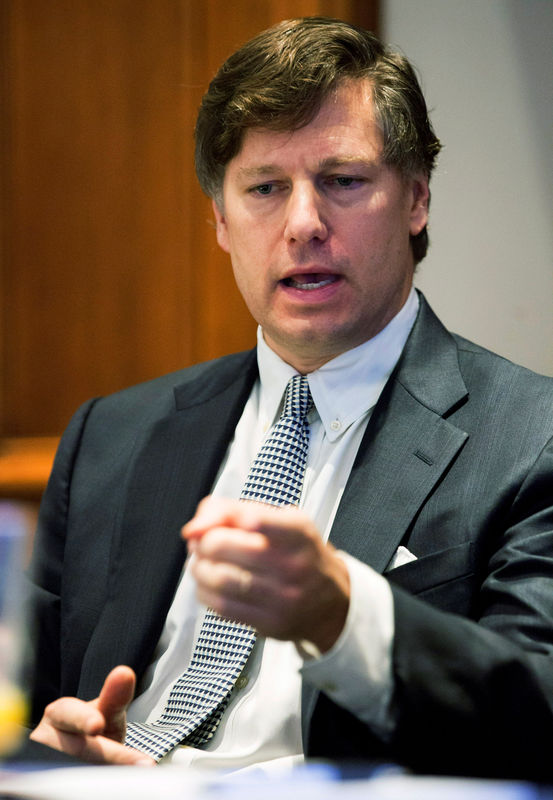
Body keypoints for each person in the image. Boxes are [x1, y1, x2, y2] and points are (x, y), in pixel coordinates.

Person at [27, 16, 553, 781]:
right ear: (219, 220)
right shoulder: (110, 435)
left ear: (414, 200)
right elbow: (32, 705)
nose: (303, 224)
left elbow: (538, 714)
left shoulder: (529, 437)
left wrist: (344, 617)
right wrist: (59, 747)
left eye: (342, 182)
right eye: (265, 188)